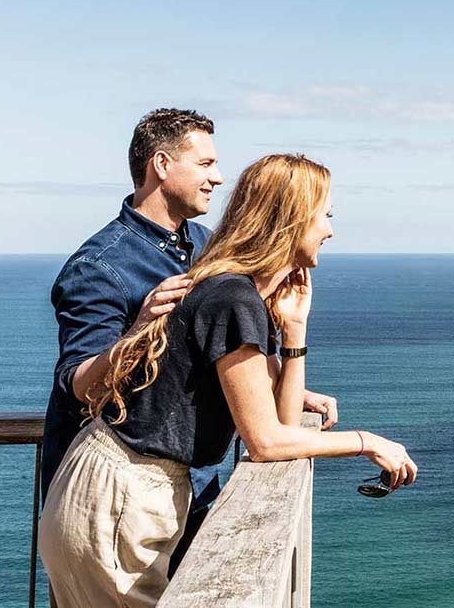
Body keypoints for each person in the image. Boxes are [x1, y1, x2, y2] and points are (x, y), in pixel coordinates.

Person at [40, 153, 418, 608]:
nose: (330, 229)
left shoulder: (237, 292)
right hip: (119, 498)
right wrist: (369, 442)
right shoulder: (233, 297)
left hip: (131, 494)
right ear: (291, 219)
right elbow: (266, 442)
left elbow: (282, 419)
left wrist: (295, 330)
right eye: (325, 215)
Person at [43, 109, 341, 572]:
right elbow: (76, 385)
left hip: (190, 484)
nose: (218, 178)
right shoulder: (99, 267)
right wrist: (140, 331)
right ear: (162, 165)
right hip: (121, 486)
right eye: (205, 165)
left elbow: (208, 353)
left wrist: (275, 382)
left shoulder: (205, 247)